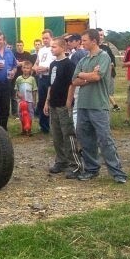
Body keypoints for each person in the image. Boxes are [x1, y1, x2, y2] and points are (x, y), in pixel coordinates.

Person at [70, 29, 127, 183]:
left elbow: (97, 76)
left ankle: (117, 173)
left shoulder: (104, 57)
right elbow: (74, 80)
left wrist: (84, 75)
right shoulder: (83, 60)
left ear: (94, 41)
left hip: (99, 105)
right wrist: (86, 76)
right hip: (83, 105)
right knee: (85, 138)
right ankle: (91, 169)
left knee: (105, 139)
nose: (82, 43)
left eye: (85, 40)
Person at [43, 38, 83, 178]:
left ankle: (75, 164)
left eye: (54, 46)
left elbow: (72, 84)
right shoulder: (53, 64)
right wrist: (47, 102)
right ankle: (61, 161)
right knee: (56, 134)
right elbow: (50, 85)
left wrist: (68, 102)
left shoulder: (69, 64)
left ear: (62, 48)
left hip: (63, 104)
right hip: (53, 103)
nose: (51, 49)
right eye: (51, 46)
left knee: (68, 134)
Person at [32, 29, 55, 133]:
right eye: (43, 38)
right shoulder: (41, 50)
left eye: (47, 38)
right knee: (41, 101)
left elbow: (58, 65)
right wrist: (35, 67)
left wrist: (46, 69)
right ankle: (44, 126)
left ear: (51, 37)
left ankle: (54, 126)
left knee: (52, 102)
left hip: (52, 78)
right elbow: (36, 63)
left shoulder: (55, 48)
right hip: (41, 78)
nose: (45, 40)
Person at [97, 28, 121, 112]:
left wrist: (112, 65)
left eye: (102, 35)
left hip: (109, 74)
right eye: (99, 35)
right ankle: (113, 106)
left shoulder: (106, 48)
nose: (101, 37)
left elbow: (113, 59)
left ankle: (109, 108)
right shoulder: (93, 48)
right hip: (99, 75)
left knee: (109, 92)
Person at [15, 61, 37, 135]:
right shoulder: (19, 79)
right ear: (21, 68)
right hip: (21, 101)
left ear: (30, 70)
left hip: (29, 100)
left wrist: (34, 100)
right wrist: (18, 94)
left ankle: (29, 129)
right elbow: (16, 89)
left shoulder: (32, 79)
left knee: (29, 114)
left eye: (28, 68)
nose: (25, 69)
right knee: (21, 114)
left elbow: (34, 90)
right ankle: (23, 129)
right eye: (24, 68)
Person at [12, 40, 32, 116]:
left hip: (26, 77)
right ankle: (15, 112)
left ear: (23, 45)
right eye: (18, 45)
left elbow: (29, 64)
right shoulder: (13, 54)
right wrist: (23, 63)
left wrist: (18, 63)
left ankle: (28, 109)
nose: (19, 47)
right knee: (14, 95)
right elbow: (13, 64)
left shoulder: (27, 54)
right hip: (15, 77)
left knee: (27, 94)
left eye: (21, 45)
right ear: (16, 46)